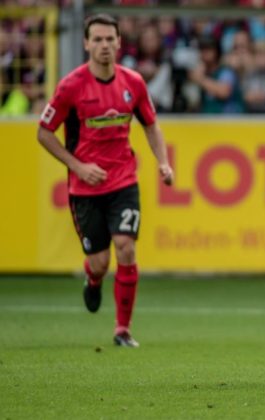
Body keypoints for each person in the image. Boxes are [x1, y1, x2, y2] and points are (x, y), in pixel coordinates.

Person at [37, 14, 174, 348]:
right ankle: (93, 279)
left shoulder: (133, 83)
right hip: (85, 188)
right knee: (99, 262)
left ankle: (122, 329)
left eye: (109, 39)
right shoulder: (71, 86)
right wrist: (78, 166)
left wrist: (163, 162)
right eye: (97, 39)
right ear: (86, 44)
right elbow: (44, 132)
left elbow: (150, 125)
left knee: (126, 247)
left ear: (119, 42)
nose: (104, 45)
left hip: (123, 180)